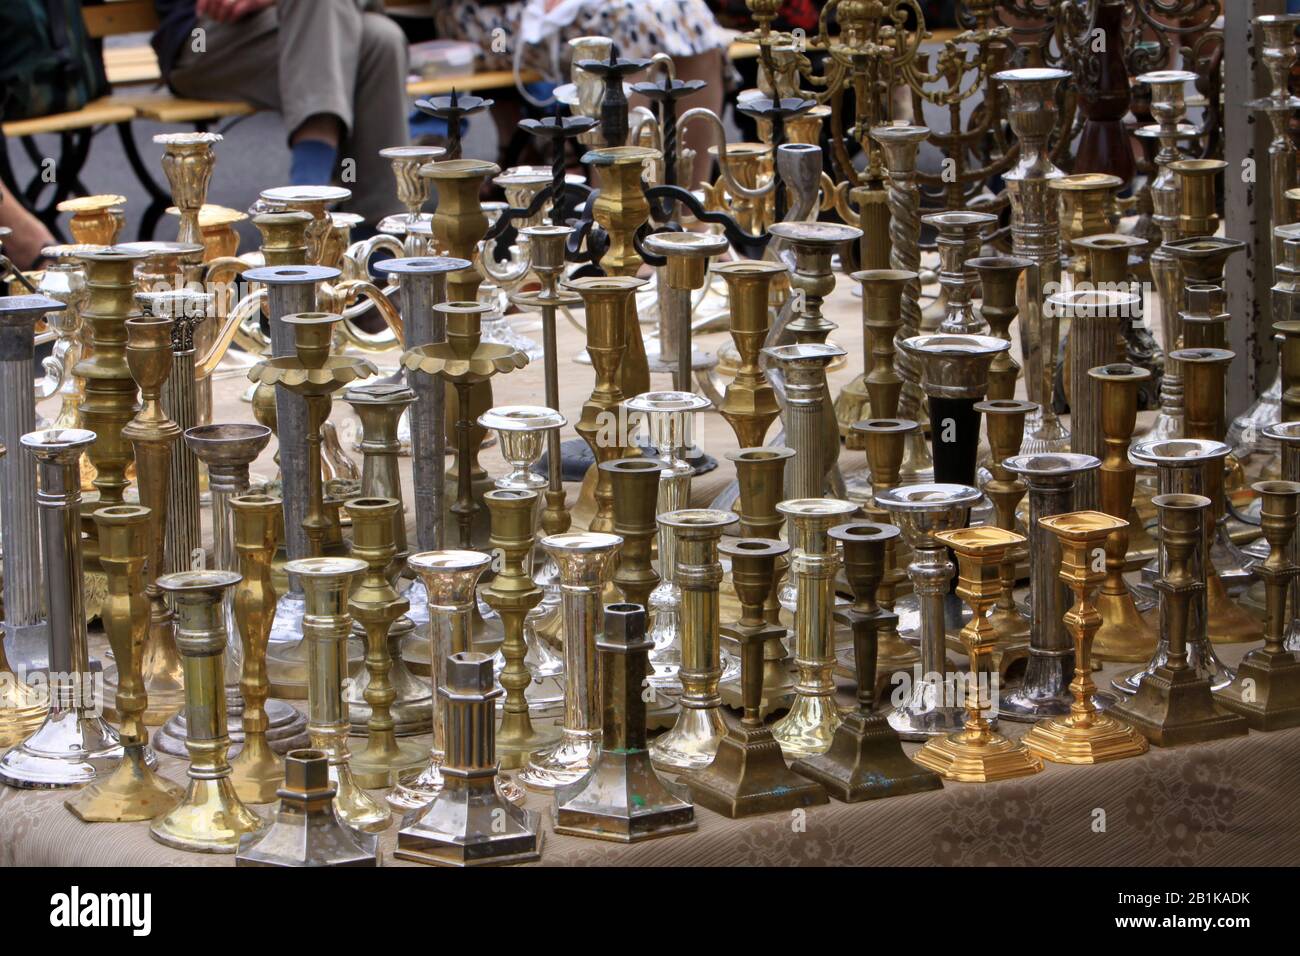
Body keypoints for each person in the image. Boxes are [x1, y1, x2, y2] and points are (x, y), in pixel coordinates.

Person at [151, 0, 411, 225]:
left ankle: (377, 246)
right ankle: (305, 210)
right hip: (202, 39)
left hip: (302, 25)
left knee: (382, 40)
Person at [432, 0, 729, 189]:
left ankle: (693, 204)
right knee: (626, 26)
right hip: (491, 18)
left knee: (691, 12)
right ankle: (616, 217)